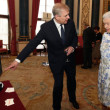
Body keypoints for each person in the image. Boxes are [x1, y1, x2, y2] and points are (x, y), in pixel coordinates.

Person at [5, 3, 79, 110]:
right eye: (66, 15)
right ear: (57, 17)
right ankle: (56, 106)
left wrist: (72, 46)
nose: (69, 17)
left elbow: (74, 38)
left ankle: (73, 99)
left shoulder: (70, 23)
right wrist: (17, 60)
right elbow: (32, 43)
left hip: (70, 60)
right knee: (58, 85)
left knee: (72, 81)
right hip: (56, 61)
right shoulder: (46, 28)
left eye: (68, 15)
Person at [98, 11, 110, 110]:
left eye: (108, 23)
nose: (105, 26)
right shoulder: (105, 35)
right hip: (103, 72)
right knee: (104, 97)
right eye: (104, 24)